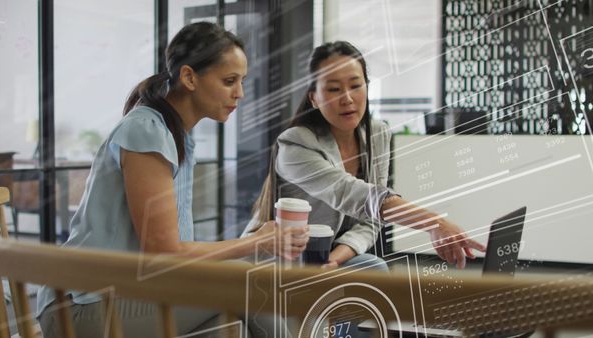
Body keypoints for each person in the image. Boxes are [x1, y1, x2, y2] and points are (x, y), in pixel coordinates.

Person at [36, 22, 307, 338]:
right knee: (248, 282)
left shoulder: (174, 134)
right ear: (189, 77)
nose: (240, 93)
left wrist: (255, 244)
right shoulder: (147, 130)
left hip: (122, 293)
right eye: (229, 81)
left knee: (220, 325)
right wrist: (255, 242)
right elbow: (164, 254)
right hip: (81, 308)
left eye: (241, 81)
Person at [245, 41, 485, 270]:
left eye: (356, 85)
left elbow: (371, 220)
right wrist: (435, 223)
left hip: (322, 259)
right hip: (274, 265)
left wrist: (334, 261)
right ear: (314, 98)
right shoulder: (295, 144)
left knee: (372, 267)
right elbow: (353, 194)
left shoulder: (376, 133)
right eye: (334, 89)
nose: (347, 98)